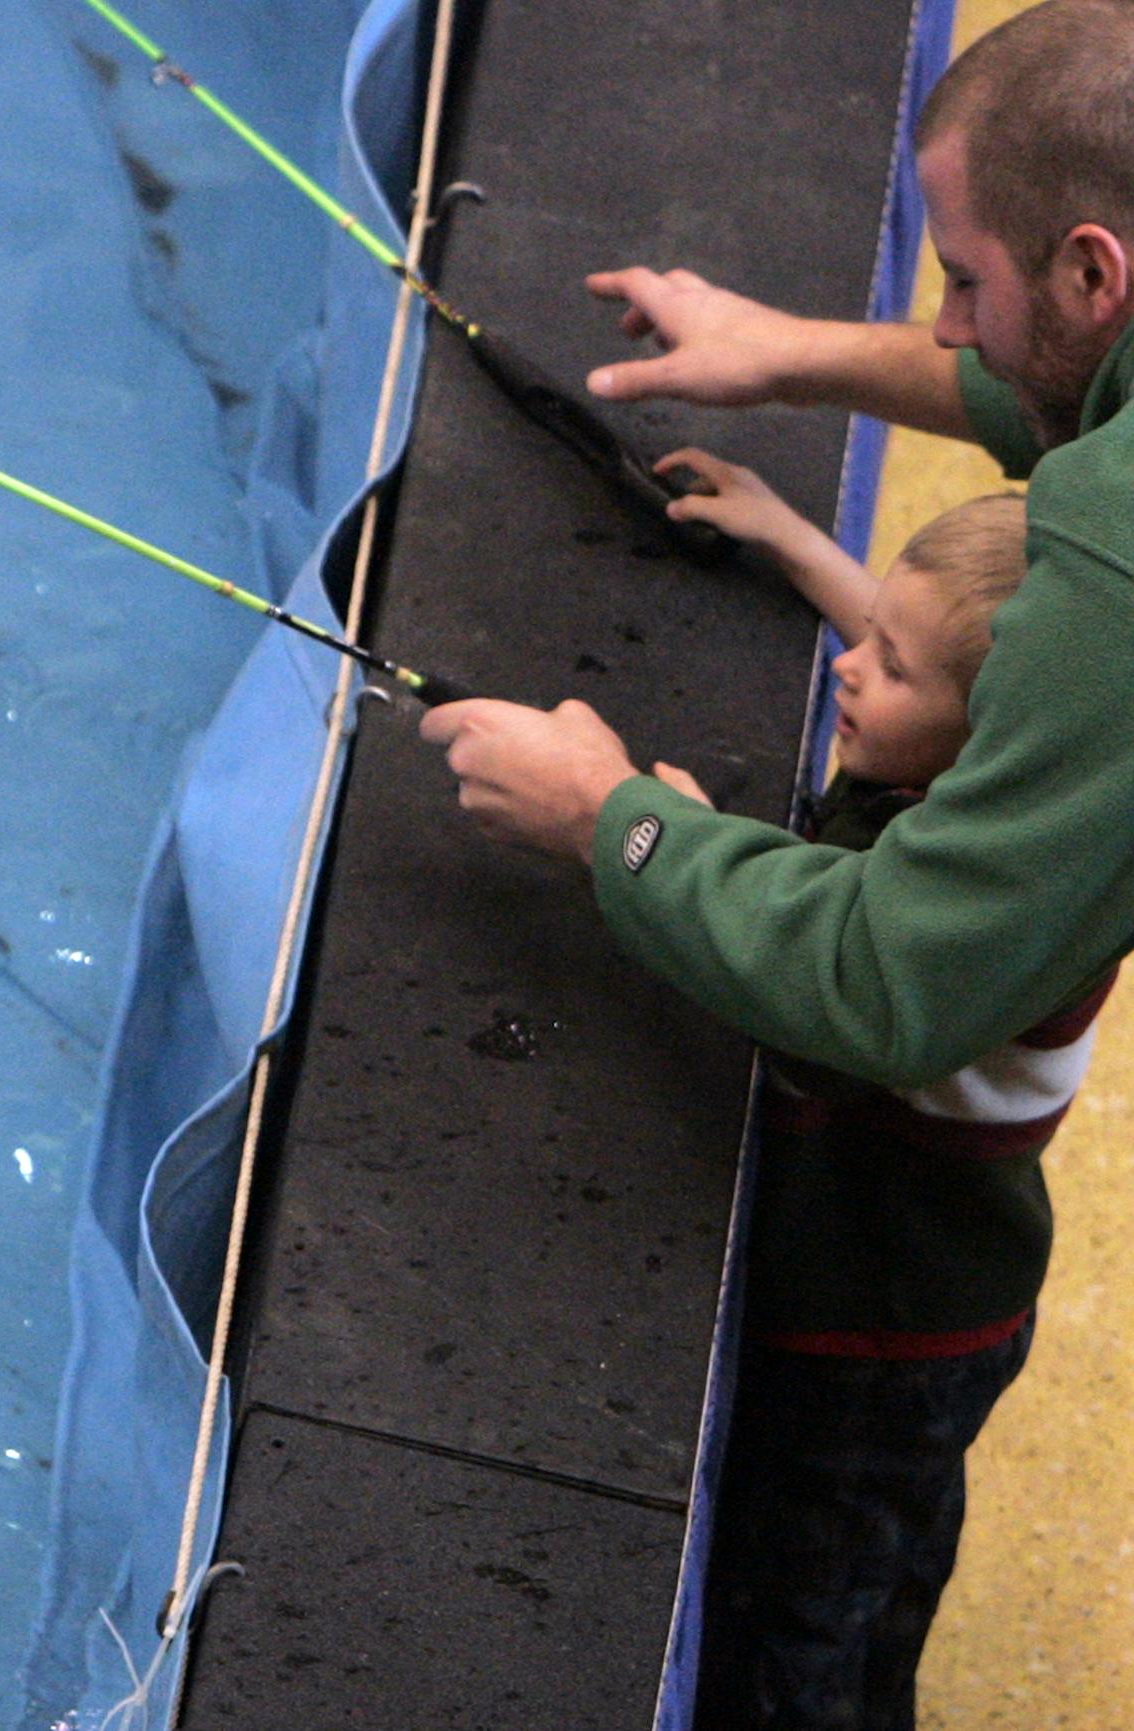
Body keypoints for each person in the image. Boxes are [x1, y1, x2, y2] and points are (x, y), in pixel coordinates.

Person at [413, 1, 1134, 1723]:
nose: (943, 323)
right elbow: (1026, 389)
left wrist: (615, 821)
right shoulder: (1098, 398)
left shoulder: (1114, 584)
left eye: (961, 274)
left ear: (1097, 268)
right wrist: (776, 348)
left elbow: (889, 979)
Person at [646, 469, 1109, 1725]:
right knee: (887, 1569)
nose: (854, 670)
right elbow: (947, 677)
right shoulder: (1027, 815)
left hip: (873, 1325)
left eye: (890, 668)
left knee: (795, 1621)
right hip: (957, 1302)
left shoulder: (933, 900)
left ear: (985, 744)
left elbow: (806, 998)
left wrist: (662, 844)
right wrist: (795, 540)